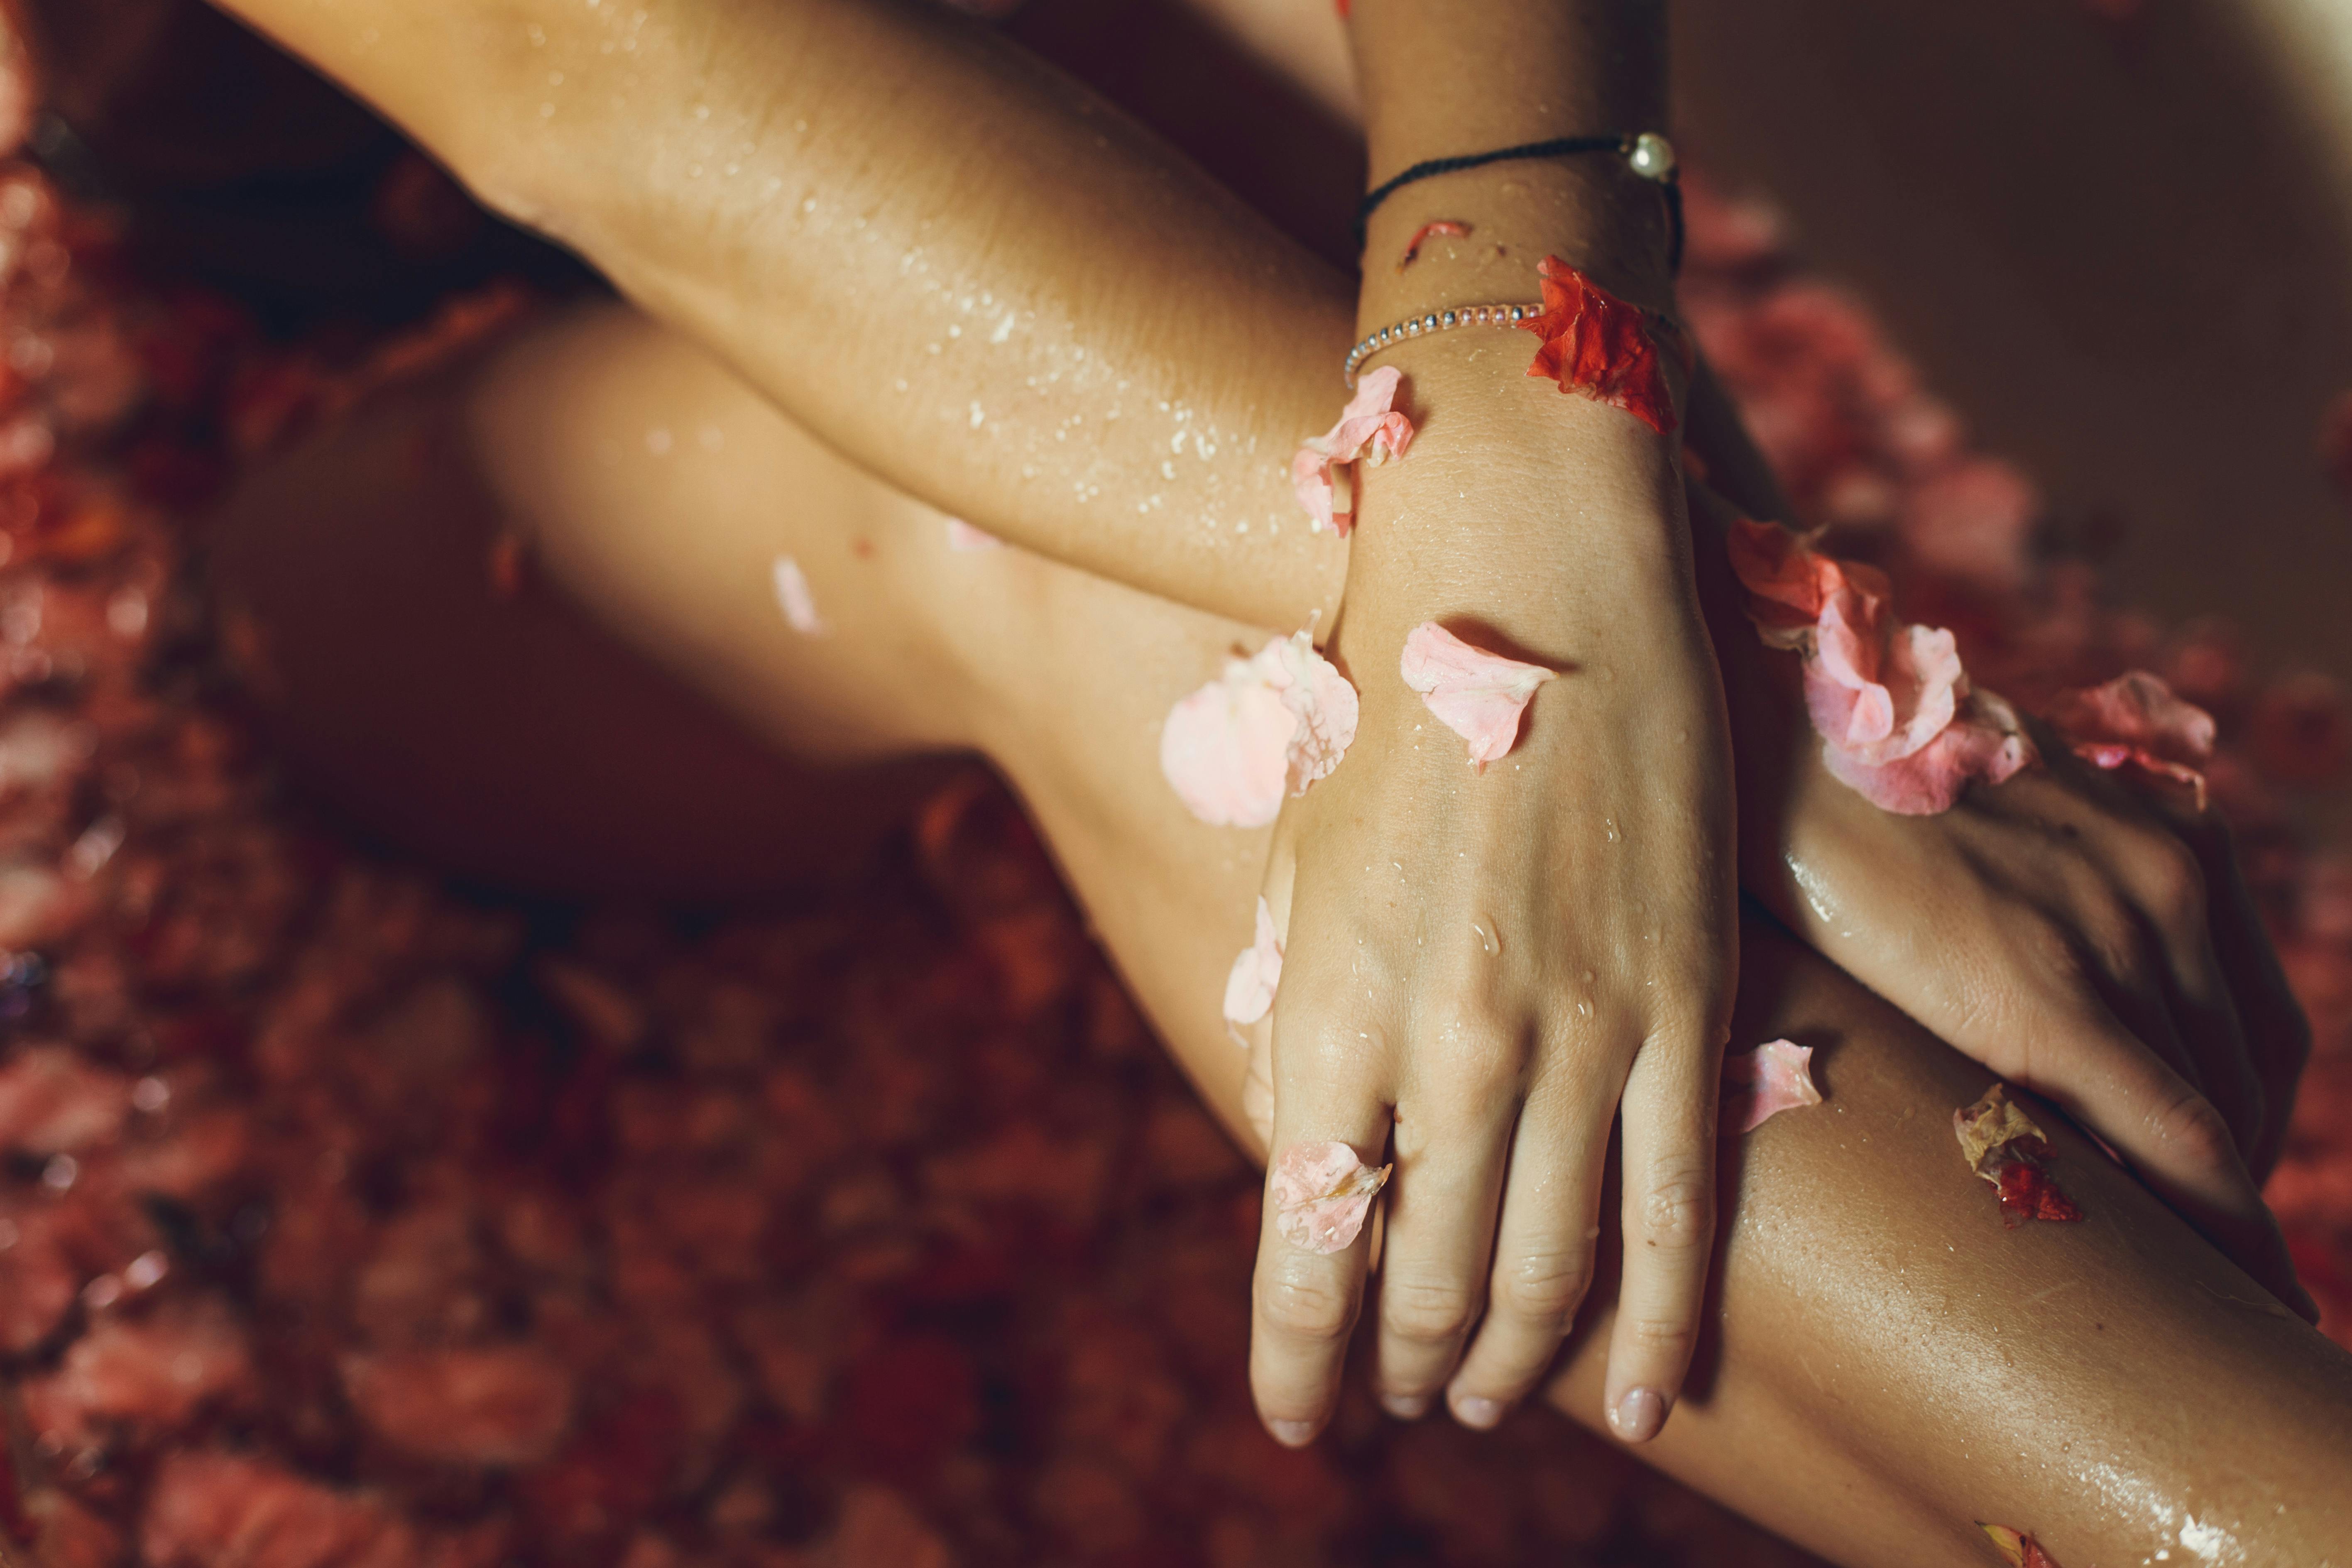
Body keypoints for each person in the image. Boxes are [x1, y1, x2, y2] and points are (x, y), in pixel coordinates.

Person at [167, 0, 2352, 1559]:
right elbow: (590, 66)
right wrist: (1696, 643)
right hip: (377, 456)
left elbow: (1509, 240)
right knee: (1233, 632)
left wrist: (1550, 443)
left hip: (1104, 187)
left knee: (1422, 250)